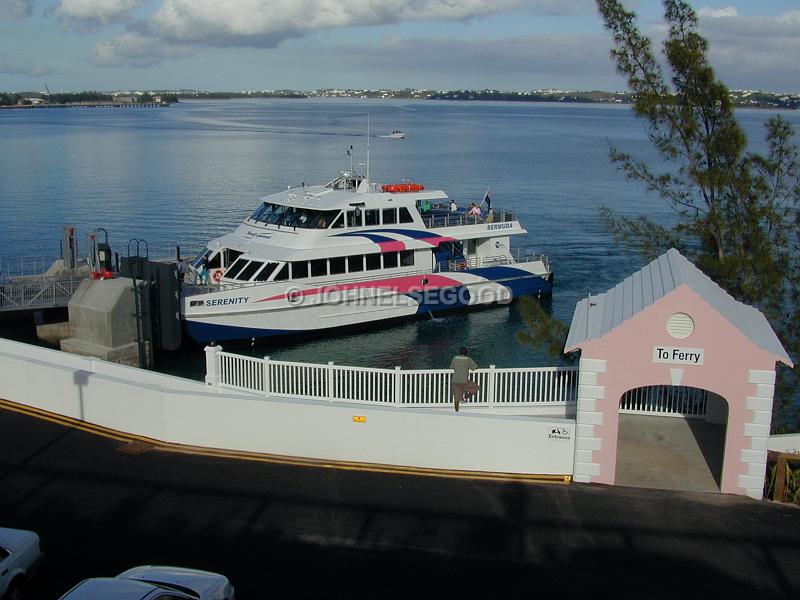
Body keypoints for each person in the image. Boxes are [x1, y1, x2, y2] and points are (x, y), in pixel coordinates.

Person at [450, 346, 480, 412]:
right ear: (466, 353)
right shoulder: (468, 359)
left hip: (455, 381)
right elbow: (475, 367)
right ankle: (466, 396)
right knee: (476, 388)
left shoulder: (455, 358)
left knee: (456, 399)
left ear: (460, 352)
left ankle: (456, 412)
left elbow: (452, 367)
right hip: (464, 381)